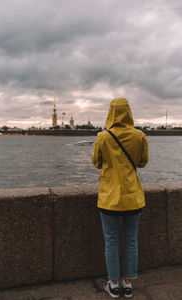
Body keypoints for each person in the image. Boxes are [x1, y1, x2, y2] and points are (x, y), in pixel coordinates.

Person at [92, 97, 148, 298]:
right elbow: (143, 162)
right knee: (131, 240)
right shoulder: (139, 136)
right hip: (133, 196)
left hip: (109, 198)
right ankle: (128, 283)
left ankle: (114, 284)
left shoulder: (103, 137)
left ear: (111, 113)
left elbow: (97, 162)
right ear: (129, 112)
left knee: (111, 241)